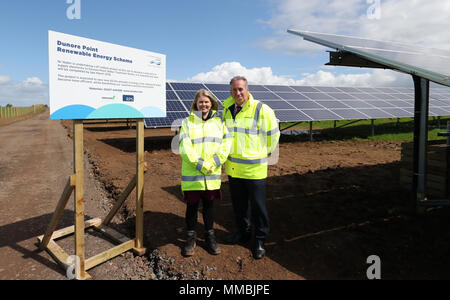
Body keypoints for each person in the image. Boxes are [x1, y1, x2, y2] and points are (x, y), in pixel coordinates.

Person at [222, 76, 280, 259]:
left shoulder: (261, 109)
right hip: (233, 168)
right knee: (239, 206)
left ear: (247, 89)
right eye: (234, 90)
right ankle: (243, 232)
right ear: (230, 91)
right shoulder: (226, 110)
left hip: (254, 169)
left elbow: (273, 136)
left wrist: (263, 153)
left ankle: (260, 239)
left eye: (240, 89)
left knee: (258, 207)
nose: (237, 93)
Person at [178, 89, 232, 257]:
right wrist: (201, 164)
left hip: (211, 174)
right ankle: (191, 238)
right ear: (196, 103)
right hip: (193, 174)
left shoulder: (219, 123)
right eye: (201, 102)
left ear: (212, 103)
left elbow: (226, 144)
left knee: (209, 207)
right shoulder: (187, 122)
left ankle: (210, 236)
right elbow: (184, 147)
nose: (204, 104)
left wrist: (215, 162)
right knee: (192, 207)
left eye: (207, 102)